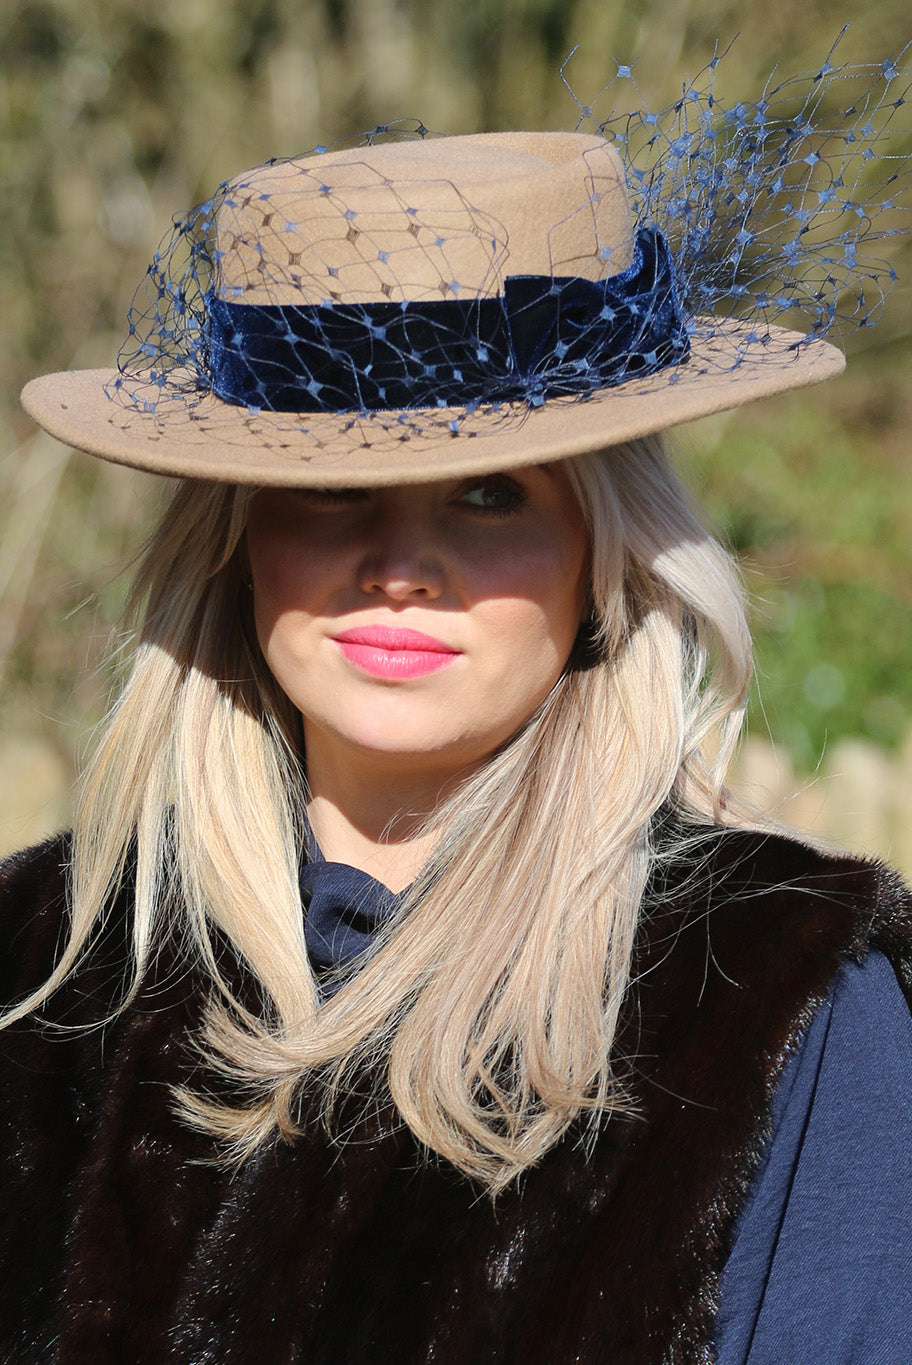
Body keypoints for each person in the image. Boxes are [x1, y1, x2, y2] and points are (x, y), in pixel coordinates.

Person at [4, 58, 912, 1364]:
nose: (398, 563)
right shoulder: (42, 973)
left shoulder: (776, 1006)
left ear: (603, 550)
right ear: (235, 537)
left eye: (491, 493)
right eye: (326, 490)